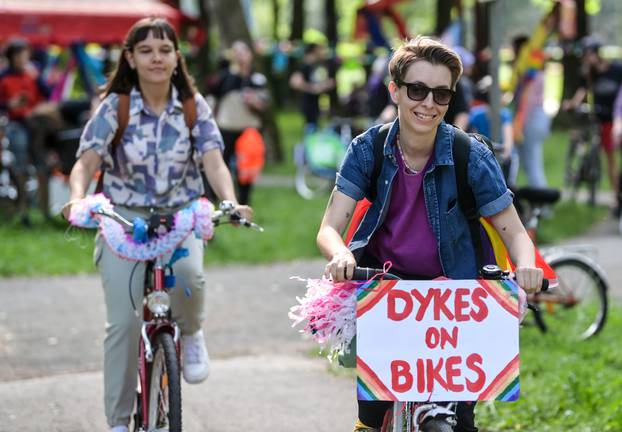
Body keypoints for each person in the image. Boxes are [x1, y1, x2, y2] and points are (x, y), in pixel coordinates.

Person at [316, 36, 543, 432]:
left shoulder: (468, 154)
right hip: (385, 293)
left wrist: (525, 267)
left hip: (456, 300)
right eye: (417, 90)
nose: (428, 103)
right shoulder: (367, 149)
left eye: (441, 94)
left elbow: (515, 232)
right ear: (396, 90)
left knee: (460, 421)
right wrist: (341, 254)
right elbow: (330, 227)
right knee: (370, 417)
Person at [61, 18, 252, 432]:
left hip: (179, 215)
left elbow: (214, 159)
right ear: (130, 57)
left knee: (189, 278)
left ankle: (191, 331)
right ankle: (117, 421)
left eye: (165, 50)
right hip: (122, 219)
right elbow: (87, 161)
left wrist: (230, 200)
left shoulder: (192, 105)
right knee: (125, 324)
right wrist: (78, 198)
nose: (156, 58)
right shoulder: (115, 106)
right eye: (146, 50)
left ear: (176, 57)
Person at [0, 39, 58, 223]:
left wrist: (37, 77)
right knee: (21, 166)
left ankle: (45, 210)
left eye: (25, 54)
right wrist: (10, 104)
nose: (22, 58)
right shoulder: (4, 77)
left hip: (35, 124)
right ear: (11, 57)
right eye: (19, 55)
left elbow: (48, 93)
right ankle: (23, 209)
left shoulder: (32, 74)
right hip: (17, 124)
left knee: (42, 166)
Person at [563, 36, 622, 212]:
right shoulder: (589, 74)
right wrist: (572, 103)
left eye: (588, 54)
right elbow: (583, 90)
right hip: (602, 119)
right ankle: (615, 194)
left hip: (616, 117)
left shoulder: (616, 69)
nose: (586, 58)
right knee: (609, 157)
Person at [209, 40, 268, 205]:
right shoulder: (224, 77)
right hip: (226, 128)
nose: (240, 56)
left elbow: (264, 105)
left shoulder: (257, 79)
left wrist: (254, 101)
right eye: (236, 52)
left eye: (244, 52)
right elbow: (212, 100)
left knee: (246, 167)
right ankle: (222, 198)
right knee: (222, 165)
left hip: (249, 130)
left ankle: (243, 201)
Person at [511, 34, 551, 188]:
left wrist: (518, 124)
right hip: (536, 117)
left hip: (530, 118)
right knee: (530, 164)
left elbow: (526, 101)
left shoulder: (530, 74)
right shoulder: (534, 71)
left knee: (532, 164)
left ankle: (542, 205)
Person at [468, 75, 517, 186]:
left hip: (491, 159)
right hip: (490, 159)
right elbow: (508, 144)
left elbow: (473, 138)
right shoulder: (503, 114)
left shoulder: (476, 113)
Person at [289, 42, 336, 132]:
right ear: (314, 51)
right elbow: (294, 82)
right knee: (311, 129)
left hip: (316, 105)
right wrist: (313, 88)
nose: (323, 52)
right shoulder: (304, 66)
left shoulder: (317, 65)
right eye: (320, 49)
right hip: (308, 105)